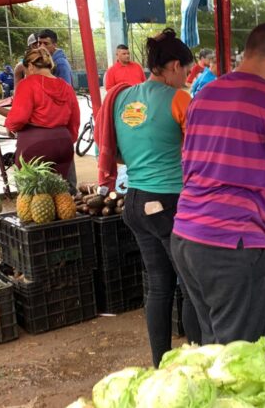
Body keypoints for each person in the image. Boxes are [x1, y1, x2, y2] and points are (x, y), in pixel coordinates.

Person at [171, 22, 265, 345]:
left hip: (186, 235)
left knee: (214, 344)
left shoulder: (204, 94)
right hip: (231, 244)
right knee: (240, 356)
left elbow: (188, 162)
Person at [98, 28, 200, 366]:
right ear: (172, 66)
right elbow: (201, 152)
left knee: (159, 285)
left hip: (135, 201)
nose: (186, 78)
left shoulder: (122, 97)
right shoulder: (179, 99)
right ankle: (196, 363)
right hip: (169, 203)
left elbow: (123, 153)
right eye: (185, 71)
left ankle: (160, 365)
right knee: (189, 284)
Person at [0, 48, 79, 178]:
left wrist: (10, 125)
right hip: (63, 143)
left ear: (30, 66)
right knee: (59, 191)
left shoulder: (28, 84)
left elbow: (19, 118)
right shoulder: (66, 87)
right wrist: (67, 140)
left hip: (35, 144)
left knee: (32, 195)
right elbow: (74, 121)